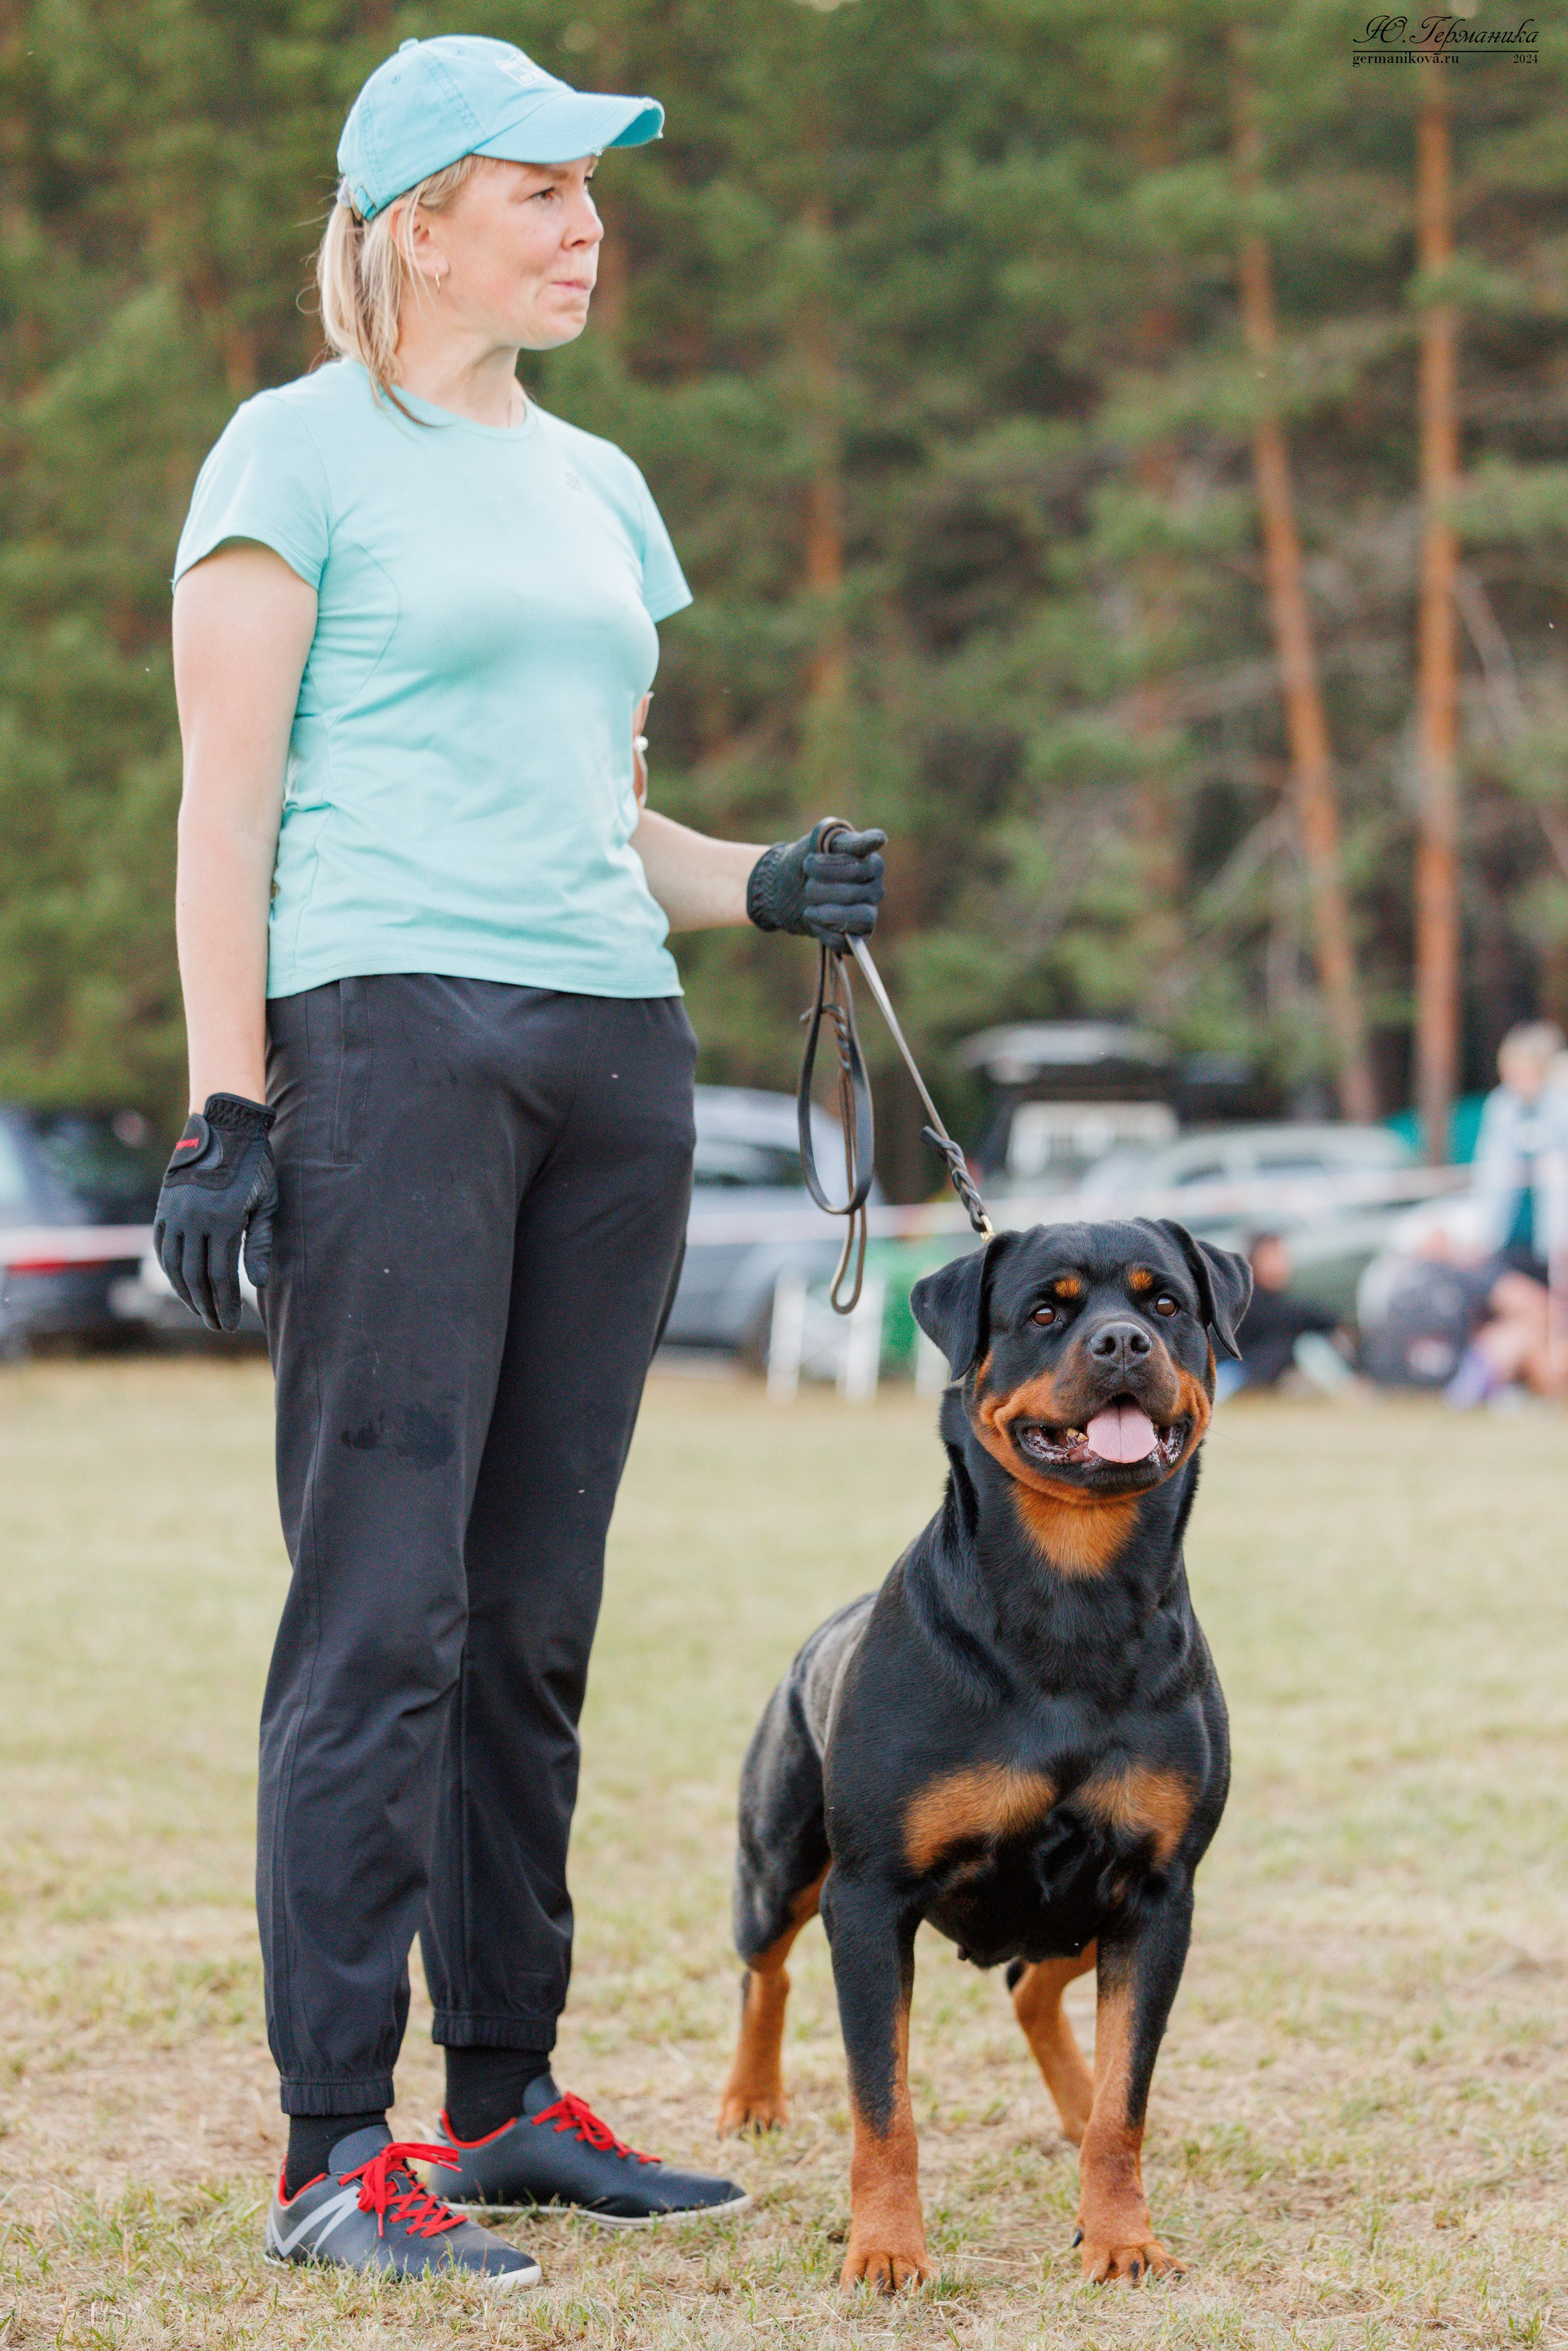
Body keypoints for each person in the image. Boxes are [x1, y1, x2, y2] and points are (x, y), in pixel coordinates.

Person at [151, 36, 887, 2290]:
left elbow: (601, 815)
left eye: (592, 195)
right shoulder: (294, 454)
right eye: (542, 191)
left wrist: (758, 877)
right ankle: (323, 2144)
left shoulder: (596, 483)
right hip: (391, 1037)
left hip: (609, 1055)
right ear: (416, 219)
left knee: (530, 1608)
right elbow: (227, 799)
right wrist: (228, 1098)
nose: (587, 230)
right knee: (378, 1605)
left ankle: (497, 2095)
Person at [1444, 1022, 1568, 1406]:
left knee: (1544, 1326)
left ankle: (1488, 1381)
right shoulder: (1502, 1109)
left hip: (1557, 1248)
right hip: (1508, 1248)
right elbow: (1490, 1180)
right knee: (1532, 1316)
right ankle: (1486, 1383)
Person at [1219, 1231, 1345, 1398]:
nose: (1278, 1265)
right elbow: (1292, 1316)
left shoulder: (1279, 1299)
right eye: (1271, 1258)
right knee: (1301, 1346)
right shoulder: (1245, 1299)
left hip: (1257, 1374)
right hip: (1233, 1375)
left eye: (1281, 1258)